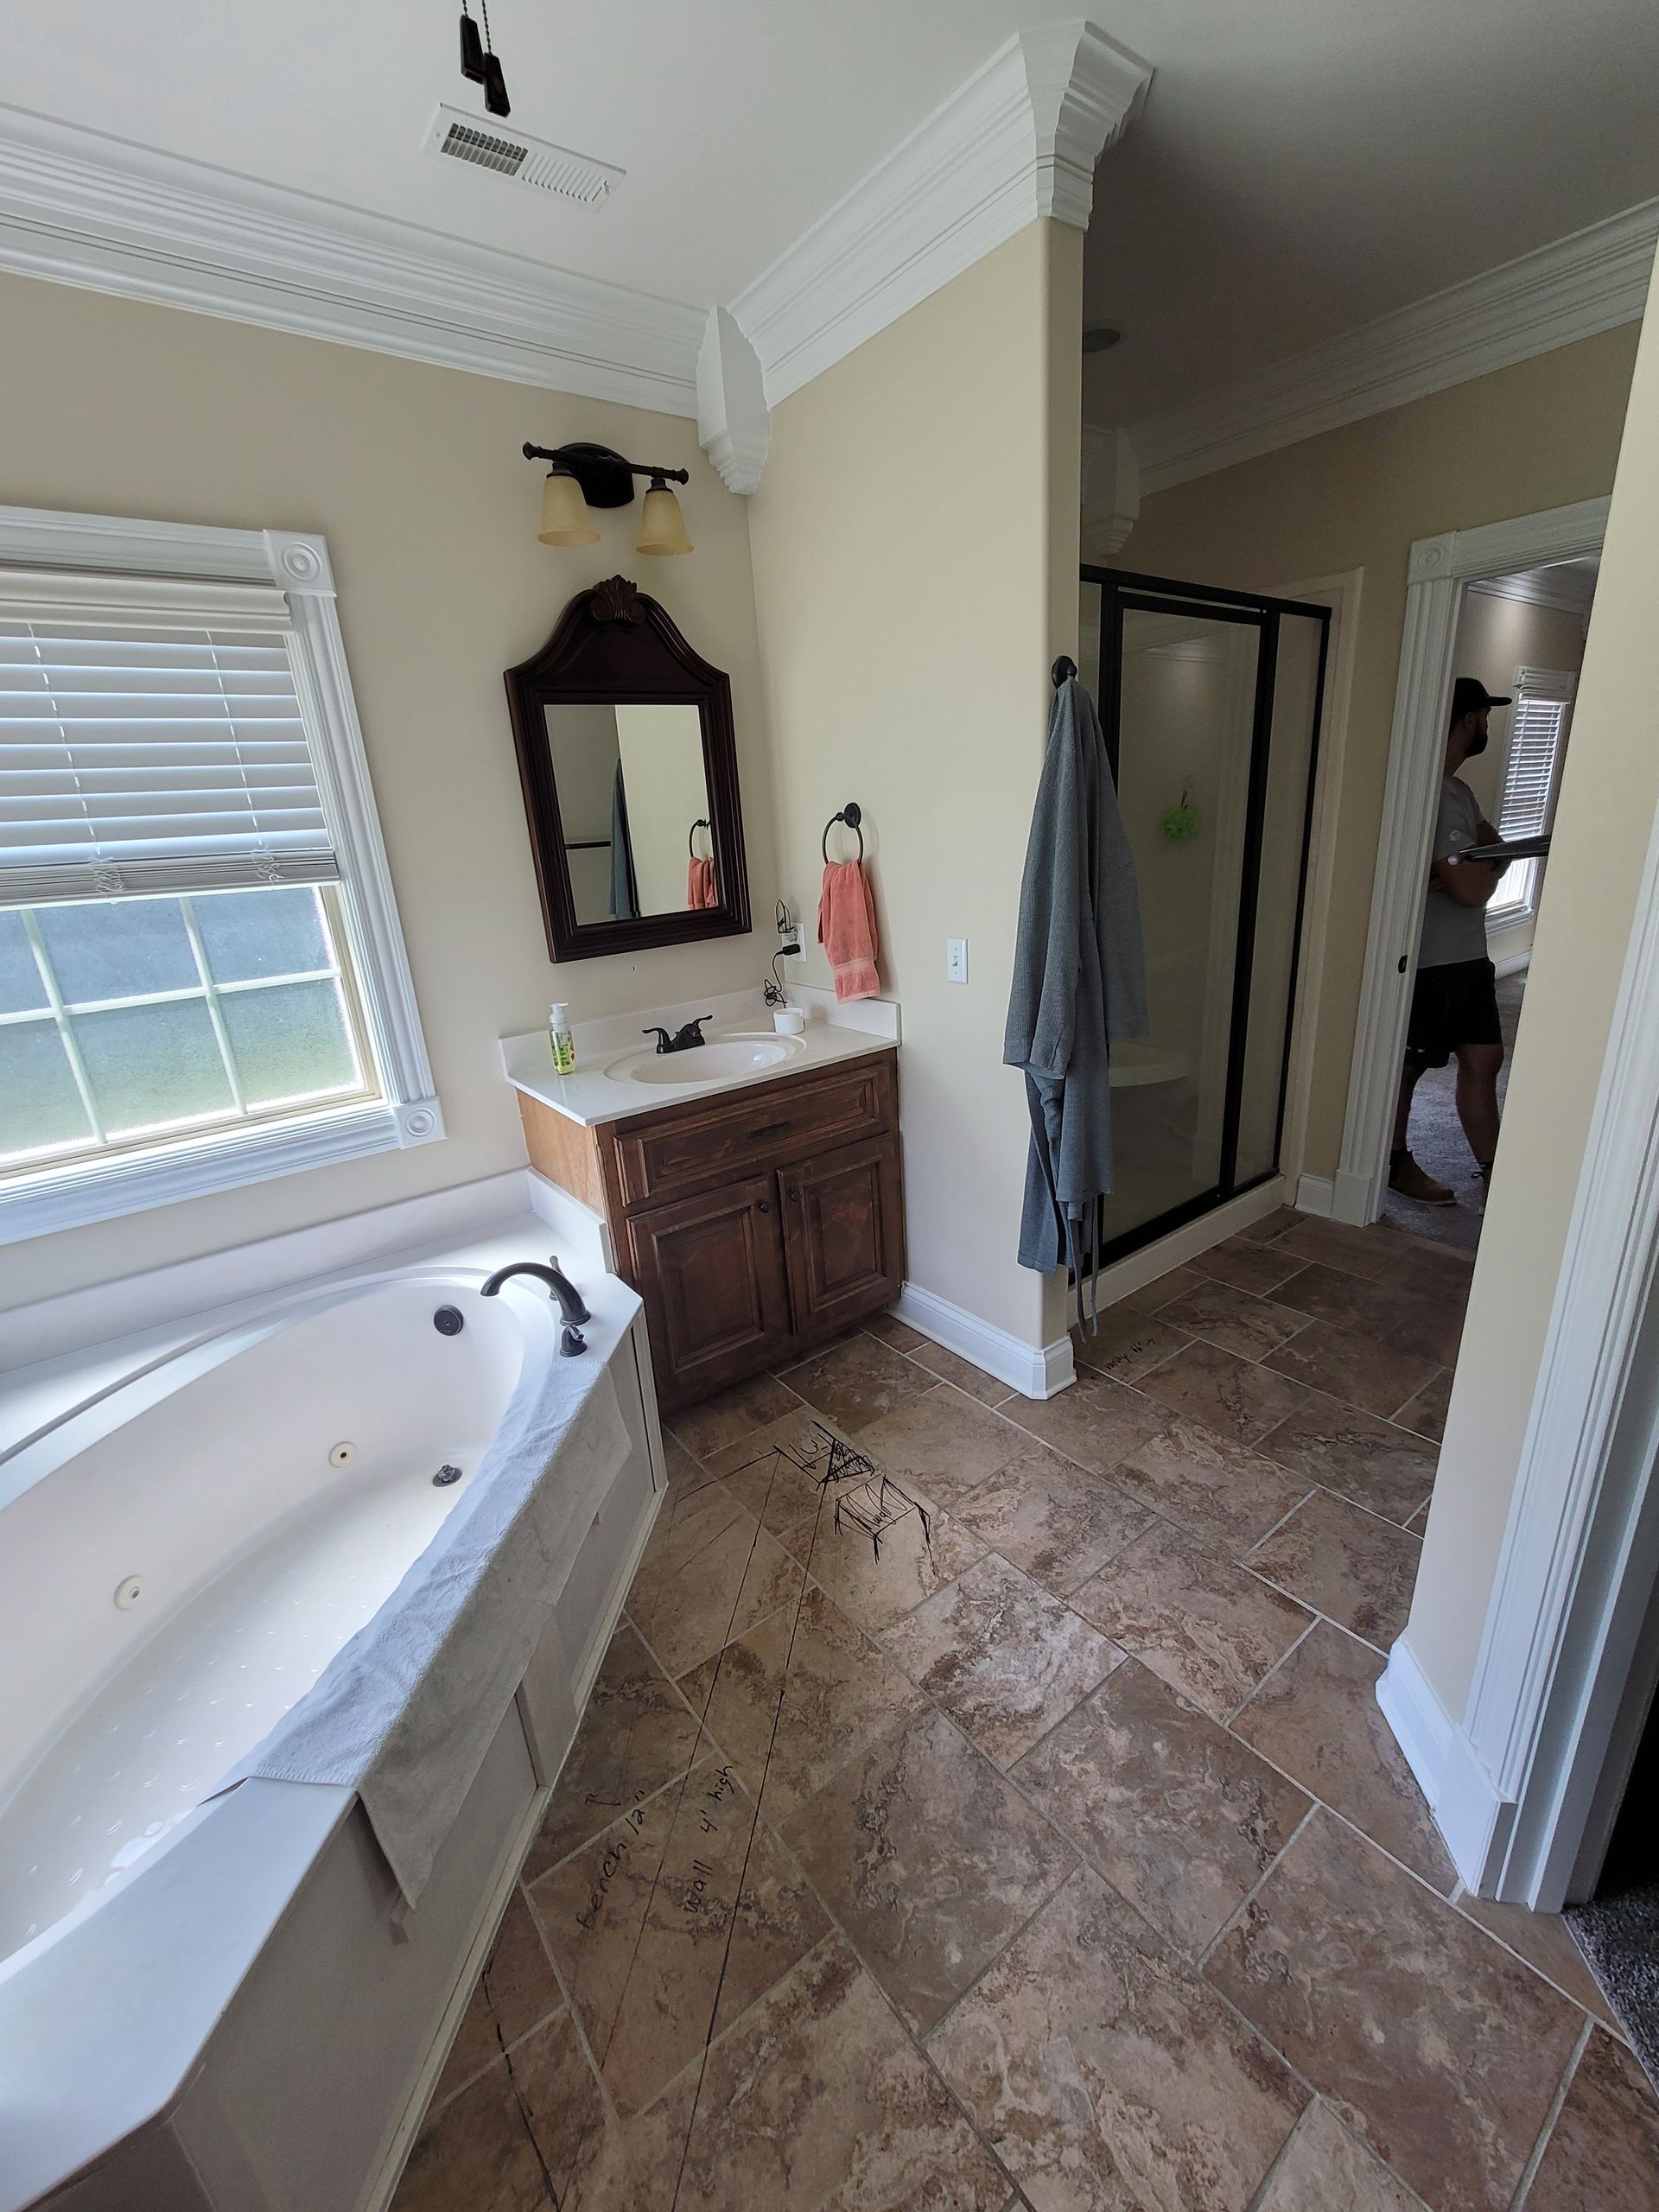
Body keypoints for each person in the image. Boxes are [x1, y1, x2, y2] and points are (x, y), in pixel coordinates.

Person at [1389, 676, 1511, 1206]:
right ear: (1470, 720)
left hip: (1470, 958)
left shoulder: (1458, 789)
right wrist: (1483, 868)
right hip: (1431, 960)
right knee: (1409, 1067)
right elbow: (1469, 888)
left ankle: (1497, 1174)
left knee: (1484, 1058)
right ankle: (1393, 1162)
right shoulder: (1433, 794)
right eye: (1486, 717)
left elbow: (1492, 854)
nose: (1487, 726)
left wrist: (1486, 865)